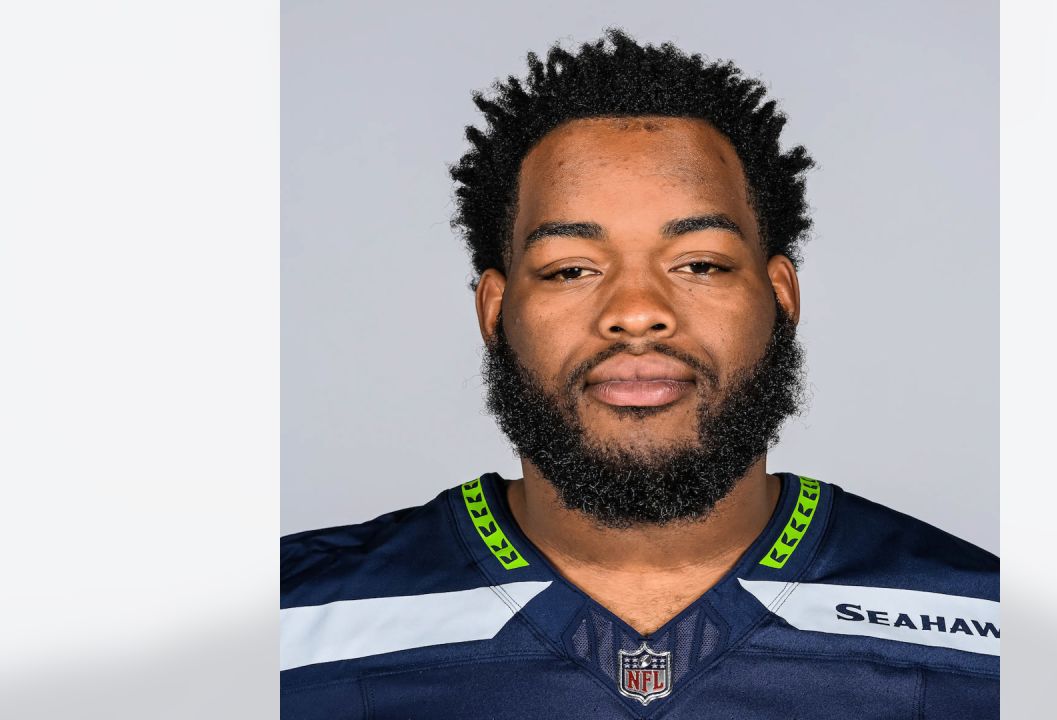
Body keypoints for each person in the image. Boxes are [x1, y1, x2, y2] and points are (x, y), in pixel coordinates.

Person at [281, 29, 998, 718]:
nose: (636, 312)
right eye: (570, 269)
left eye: (700, 265)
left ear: (781, 296)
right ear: (495, 309)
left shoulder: (994, 636)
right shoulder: (288, 629)